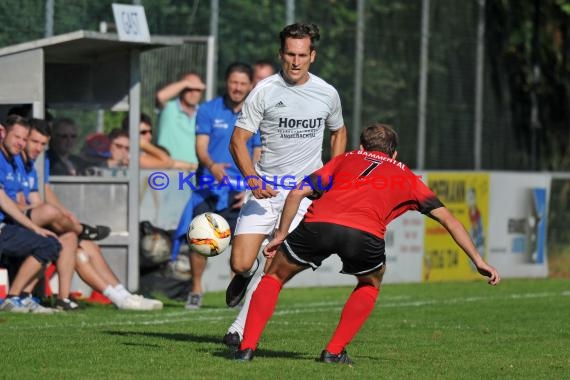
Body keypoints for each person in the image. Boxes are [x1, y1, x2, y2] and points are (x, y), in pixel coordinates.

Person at [233, 123, 501, 362]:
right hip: (364, 235)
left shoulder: (345, 159)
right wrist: (478, 260)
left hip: (319, 224)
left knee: (274, 276)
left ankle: (246, 348)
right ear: (394, 154)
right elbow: (450, 221)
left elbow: (297, 192)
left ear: (361, 146)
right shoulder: (408, 176)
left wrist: (281, 234)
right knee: (370, 282)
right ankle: (334, 351)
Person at [223, 23, 348, 347]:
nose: (295, 61)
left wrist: (331, 175)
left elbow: (338, 132)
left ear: (312, 56)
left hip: (303, 193)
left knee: (274, 262)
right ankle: (243, 275)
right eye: (290, 54)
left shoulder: (326, 93)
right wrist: (252, 177)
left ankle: (238, 328)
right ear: (281, 54)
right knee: (241, 262)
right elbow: (238, 140)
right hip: (266, 188)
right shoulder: (264, 90)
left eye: (302, 55)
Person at [20, 118, 163, 311]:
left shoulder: (56, 161)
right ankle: (117, 299)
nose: (38, 147)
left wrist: (65, 215)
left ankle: (123, 294)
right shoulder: (36, 161)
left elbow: (38, 195)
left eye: (72, 136)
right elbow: (27, 199)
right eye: (62, 136)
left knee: (87, 247)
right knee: (76, 247)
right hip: (23, 224)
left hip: (42, 222)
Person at [171, 62, 261, 310]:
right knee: (201, 238)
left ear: (250, 86)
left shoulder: (256, 113)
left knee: (240, 245)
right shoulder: (209, 110)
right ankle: (196, 289)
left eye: (243, 83)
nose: (238, 87)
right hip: (209, 187)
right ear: (226, 82)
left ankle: (233, 294)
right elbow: (201, 146)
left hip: (241, 191)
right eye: (234, 82)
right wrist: (212, 166)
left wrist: (250, 185)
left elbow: (257, 152)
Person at [155, 72, 206, 167]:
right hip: (169, 171)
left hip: (195, 172)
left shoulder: (204, 114)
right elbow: (161, 96)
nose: (193, 93)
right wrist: (185, 83)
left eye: (197, 89)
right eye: (189, 88)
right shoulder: (168, 108)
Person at [121, 113, 196, 171]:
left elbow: (173, 163)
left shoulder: (140, 153)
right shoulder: (130, 156)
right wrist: (144, 145)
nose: (149, 136)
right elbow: (167, 162)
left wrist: (195, 166)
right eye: (143, 132)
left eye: (150, 132)